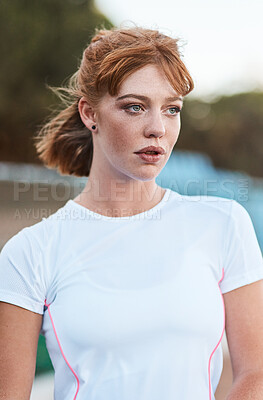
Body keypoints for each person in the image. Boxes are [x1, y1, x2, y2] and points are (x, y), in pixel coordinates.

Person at [1, 25, 263, 400]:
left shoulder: (224, 225)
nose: (157, 128)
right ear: (90, 113)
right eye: (135, 107)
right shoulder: (29, 253)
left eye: (172, 109)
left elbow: (256, 373)